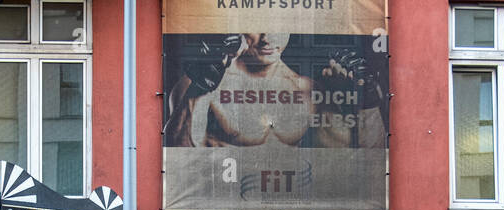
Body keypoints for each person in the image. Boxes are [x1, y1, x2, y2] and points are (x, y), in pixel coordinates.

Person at [164, 33, 385, 150]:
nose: (267, 38)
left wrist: (366, 103)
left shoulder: (306, 89)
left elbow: (358, 158)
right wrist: (200, 90)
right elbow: (179, 159)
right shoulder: (202, 82)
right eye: (257, 25)